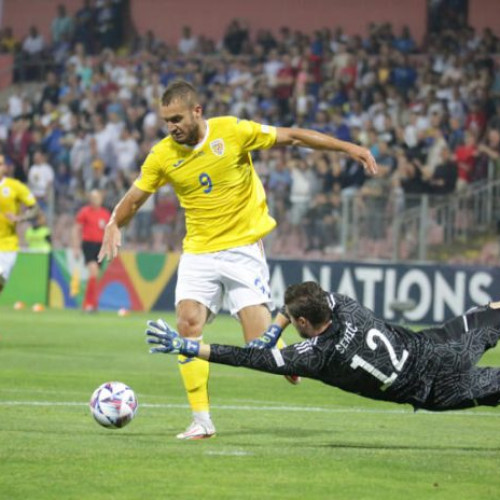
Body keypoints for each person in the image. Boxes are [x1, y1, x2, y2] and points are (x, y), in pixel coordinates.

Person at [98, 80, 377, 440]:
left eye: (177, 118)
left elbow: (291, 137)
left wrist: (349, 148)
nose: (172, 127)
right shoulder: (163, 154)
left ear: (197, 111)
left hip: (243, 249)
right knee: (187, 323)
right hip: (198, 250)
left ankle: (289, 356)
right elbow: (135, 198)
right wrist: (113, 222)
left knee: (259, 347)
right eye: (166, 121)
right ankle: (201, 420)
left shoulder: (232, 130)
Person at [147, 281, 500, 414]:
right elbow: (305, 298)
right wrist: (275, 326)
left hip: (437, 391)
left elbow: (245, 357)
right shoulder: (345, 305)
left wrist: (189, 347)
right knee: (494, 312)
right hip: (441, 347)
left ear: (303, 323)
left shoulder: (317, 356)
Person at [0, 154, 38, 293]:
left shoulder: (15, 186)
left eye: (1, 164)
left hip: (7, 245)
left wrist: (20, 218)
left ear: (5, 167)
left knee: (1, 282)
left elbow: (35, 208)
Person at [73, 190, 110, 312]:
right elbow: (76, 229)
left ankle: (92, 304)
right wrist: (76, 247)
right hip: (88, 244)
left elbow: (109, 232)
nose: (95, 199)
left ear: (101, 199)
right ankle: (88, 303)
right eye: (93, 197)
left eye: (97, 197)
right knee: (93, 270)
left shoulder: (105, 214)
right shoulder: (84, 212)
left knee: (95, 275)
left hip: (100, 246)